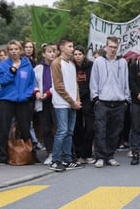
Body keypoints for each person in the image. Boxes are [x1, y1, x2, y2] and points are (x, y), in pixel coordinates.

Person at [90, 36, 130, 168]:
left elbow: (126, 81)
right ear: (106, 47)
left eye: (115, 47)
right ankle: (100, 156)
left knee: (115, 131)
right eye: (110, 46)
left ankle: (110, 155)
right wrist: (95, 98)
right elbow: (94, 80)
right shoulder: (98, 62)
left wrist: (126, 99)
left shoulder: (122, 62)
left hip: (119, 102)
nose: (113, 49)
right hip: (103, 101)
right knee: (100, 130)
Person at [0, 40, 36, 165]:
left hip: (22, 100)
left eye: (16, 49)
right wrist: (12, 71)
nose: (14, 51)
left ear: (20, 50)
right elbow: (1, 81)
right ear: (8, 51)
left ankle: (29, 154)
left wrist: (26, 95)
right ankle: (3, 157)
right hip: (6, 100)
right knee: (4, 128)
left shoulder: (27, 65)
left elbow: (31, 82)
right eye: (11, 49)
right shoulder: (3, 65)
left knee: (25, 127)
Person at [49, 38, 83, 172]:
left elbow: (75, 84)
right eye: (69, 46)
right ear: (62, 48)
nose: (72, 49)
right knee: (62, 131)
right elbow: (59, 86)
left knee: (69, 132)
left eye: (72, 46)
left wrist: (77, 100)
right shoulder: (57, 63)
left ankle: (68, 159)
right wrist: (72, 101)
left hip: (72, 103)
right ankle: (55, 160)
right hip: (62, 103)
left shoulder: (72, 64)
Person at [34, 44, 57, 164]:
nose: (52, 54)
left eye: (54, 51)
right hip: (42, 101)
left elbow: (58, 84)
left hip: (55, 100)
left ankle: (60, 152)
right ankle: (50, 152)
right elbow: (34, 83)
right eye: (49, 51)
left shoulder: (58, 67)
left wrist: (48, 93)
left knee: (58, 127)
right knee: (46, 127)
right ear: (43, 54)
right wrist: (37, 92)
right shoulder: (38, 68)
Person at [72, 46, 95, 164]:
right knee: (77, 127)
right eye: (75, 54)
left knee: (90, 128)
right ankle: (79, 153)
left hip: (88, 99)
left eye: (80, 54)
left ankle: (88, 153)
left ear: (84, 55)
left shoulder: (91, 65)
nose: (77, 56)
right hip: (75, 99)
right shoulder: (71, 66)